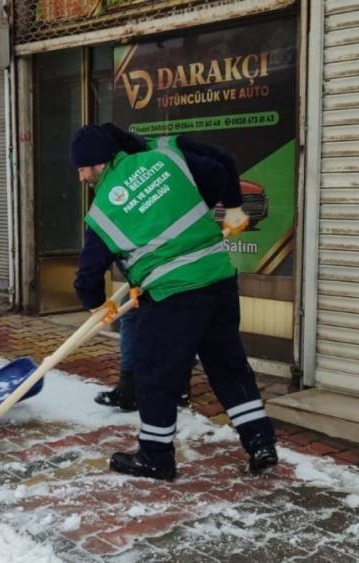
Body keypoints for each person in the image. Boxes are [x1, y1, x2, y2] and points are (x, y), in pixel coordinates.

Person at [70, 124, 278, 479]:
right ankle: (260, 443)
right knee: (228, 367)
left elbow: (87, 277)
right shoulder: (165, 160)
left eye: (81, 168)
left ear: (95, 164)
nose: (80, 177)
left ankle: (155, 457)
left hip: (172, 297)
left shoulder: (104, 211)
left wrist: (98, 306)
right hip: (218, 279)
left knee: (155, 376)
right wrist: (230, 209)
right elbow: (219, 167)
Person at [82, 124, 239, 413]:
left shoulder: (167, 151)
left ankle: (176, 388)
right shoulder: (122, 176)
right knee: (132, 320)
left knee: (177, 323)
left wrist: (230, 206)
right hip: (145, 266)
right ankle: (130, 388)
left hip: (182, 268)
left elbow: (223, 163)